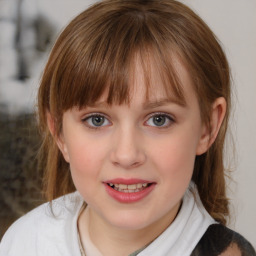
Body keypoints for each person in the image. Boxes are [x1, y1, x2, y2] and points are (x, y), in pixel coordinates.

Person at [0, 0, 255, 255]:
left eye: (159, 119)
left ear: (207, 127)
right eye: (97, 120)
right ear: (59, 132)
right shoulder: (24, 242)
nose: (126, 155)